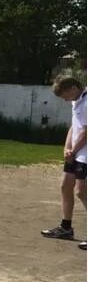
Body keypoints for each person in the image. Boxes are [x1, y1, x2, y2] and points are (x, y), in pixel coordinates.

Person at [41, 75, 87, 250]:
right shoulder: (76, 102)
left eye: (65, 96)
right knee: (65, 186)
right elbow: (74, 126)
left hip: (85, 154)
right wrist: (67, 147)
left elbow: (86, 132)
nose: (65, 99)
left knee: (82, 192)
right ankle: (66, 228)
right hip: (75, 152)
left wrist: (74, 150)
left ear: (73, 89)